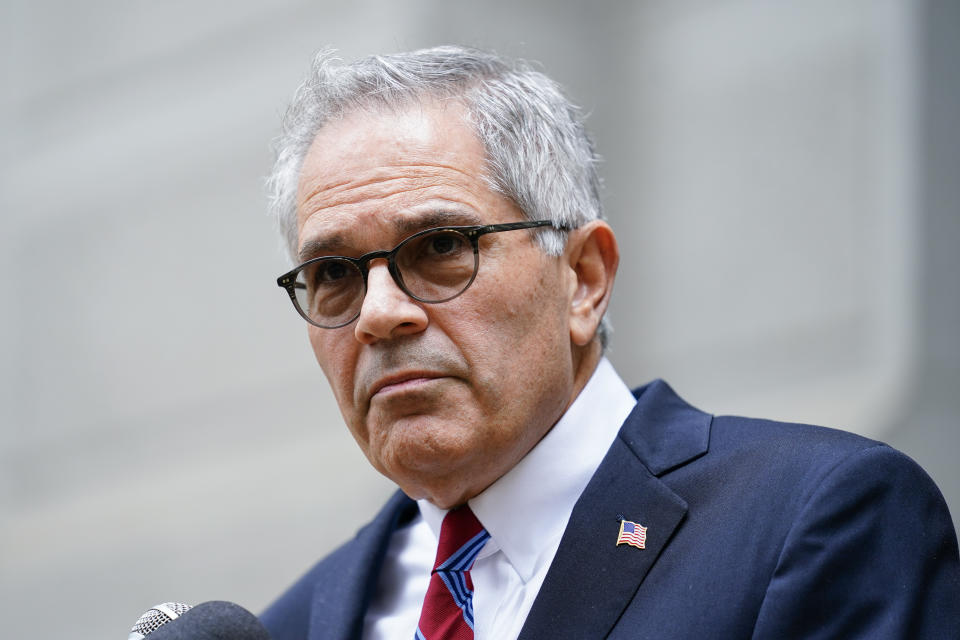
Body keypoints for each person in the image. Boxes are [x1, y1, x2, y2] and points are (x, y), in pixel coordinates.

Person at [261, 46, 959, 639]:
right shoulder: (293, 625)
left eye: (442, 245)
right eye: (332, 274)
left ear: (583, 280)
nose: (378, 315)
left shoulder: (812, 522)